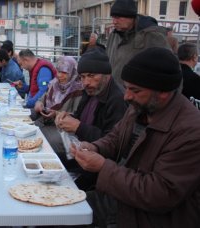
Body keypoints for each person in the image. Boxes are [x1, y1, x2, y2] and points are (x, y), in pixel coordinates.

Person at [71, 47, 200, 227]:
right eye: (126, 88)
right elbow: (115, 137)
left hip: (149, 217)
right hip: (120, 196)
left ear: (163, 92)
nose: (127, 96)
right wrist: (96, 147)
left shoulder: (191, 132)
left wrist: (103, 167)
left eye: (135, 90)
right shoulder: (139, 107)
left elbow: (159, 193)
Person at [55, 49, 127, 190]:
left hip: (97, 170)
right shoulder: (90, 91)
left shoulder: (117, 100)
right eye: (82, 77)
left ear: (107, 75)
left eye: (91, 76)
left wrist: (78, 127)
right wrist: (67, 118)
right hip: (79, 155)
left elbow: (113, 144)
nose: (86, 82)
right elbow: (80, 117)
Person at [106, 0, 170, 89]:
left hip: (139, 97)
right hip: (115, 94)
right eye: (113, 17)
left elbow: (169, 68)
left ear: (131, 17)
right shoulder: (114, 35)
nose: (114, 22)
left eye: (117, 17)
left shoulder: (151, 35)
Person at [33, 56, 83, 156]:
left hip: (62, 128)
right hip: (47, 120)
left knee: (43, 139)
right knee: (30, 129)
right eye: (58, 71)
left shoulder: (78, 89)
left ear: (72, 72)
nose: (59, 75)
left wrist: (56, 114)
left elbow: (77, 116)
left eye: (64, 72)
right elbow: (42, 99)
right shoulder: (54, 84)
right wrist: (39, 104)